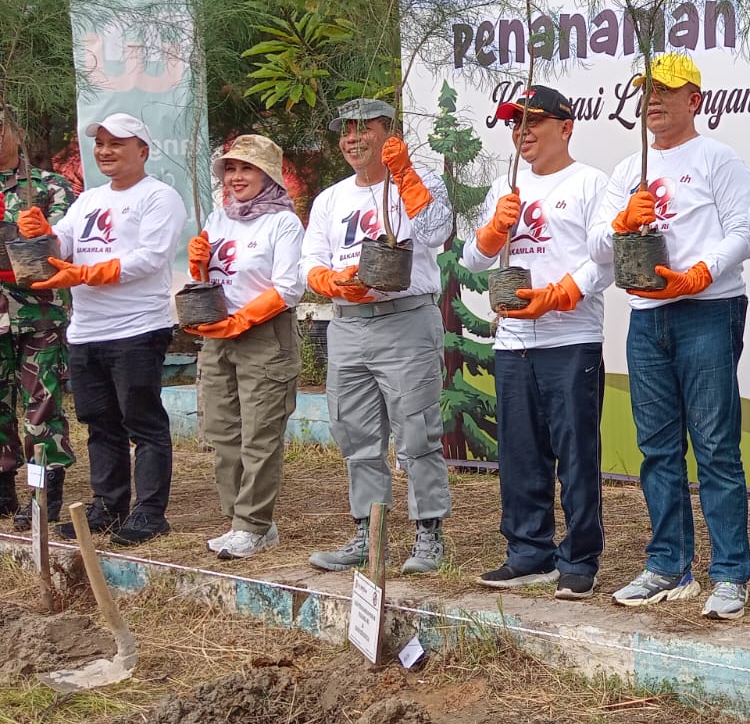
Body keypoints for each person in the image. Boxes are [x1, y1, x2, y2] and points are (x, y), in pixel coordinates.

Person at [590, 53, 750, 621]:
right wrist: (619, 223)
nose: (654, 100)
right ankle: (668, 564)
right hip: (646, 317)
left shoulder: (717, 158)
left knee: (714, 445)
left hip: (708, 310)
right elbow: (596, 251)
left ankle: (731, 573)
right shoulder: (625, 171)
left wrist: (701, 273)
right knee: (657, 446)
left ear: (697, 100)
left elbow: (747, 232)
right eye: (646, 92)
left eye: (667, 90)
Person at [463, 87, 610, 598]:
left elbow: (606, 260)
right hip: (513, 340)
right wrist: (491, 231)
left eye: (534, 122)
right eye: (514, 124)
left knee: (575, 453)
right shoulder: (507, 186)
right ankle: (529, 552)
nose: (521, 132)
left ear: (566, 126)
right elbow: (472, 260)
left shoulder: (591, 182)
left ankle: (580, 557)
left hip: (570, 337)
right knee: (521, 452)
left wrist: (559, 295)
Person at [302, 99, 454, 576]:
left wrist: (405, 175)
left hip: (405, 319)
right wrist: (329, 282)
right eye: (345, 131)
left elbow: (436, 233)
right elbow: (310, 263)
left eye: (363, 129)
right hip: (347, 323)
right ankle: (368, 535)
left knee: (416, 430)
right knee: (355, 432)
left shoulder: (419, 181)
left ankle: (429, 534)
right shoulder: (331, 198)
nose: (352, 139)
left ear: (389, 133)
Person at [18, 113, 185, 544]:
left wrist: (85, 275)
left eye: (117, 144)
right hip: (87, 330)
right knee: (100, 424)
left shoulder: (159, 197)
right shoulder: (89, 199)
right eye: (101, 144)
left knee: (142, 421)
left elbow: (149, 258)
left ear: (142, 151)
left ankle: (150, 512)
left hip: (136, 328)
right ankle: (107, 507)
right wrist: (44, 235)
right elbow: (64, 247)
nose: (106, 151)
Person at [185, 135, 306, 560]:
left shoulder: (283, 223)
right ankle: (241, 519)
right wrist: (197, 263)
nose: (236, 177)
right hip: (217, 337)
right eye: (230, 170)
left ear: (268, 175)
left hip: (264, 335)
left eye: (247, 169)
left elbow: (290, 287)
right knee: (222, 431)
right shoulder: (220, 218)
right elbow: (212, 279)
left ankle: (251, 524)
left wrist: (242, 320)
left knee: (260, 433)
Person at [0, 113, 78, 530]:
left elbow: (63, 240)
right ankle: (3, 490)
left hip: (38, 310)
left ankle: (42, 494)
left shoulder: (47, 186)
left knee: (42, 400)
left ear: (15, 129)